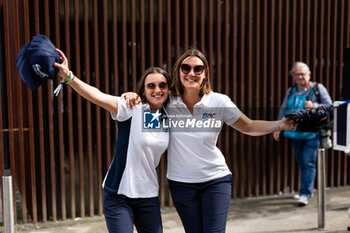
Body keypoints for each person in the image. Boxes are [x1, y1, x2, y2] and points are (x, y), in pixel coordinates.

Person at [124, 48, 295, 233]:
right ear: (178, 72)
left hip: (215, 179)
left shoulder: (219, 102)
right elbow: (147, 103)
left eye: (198, 69)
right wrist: (131, 95)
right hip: (181, 183)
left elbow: (248, 126)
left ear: (205, 73)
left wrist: (280, 125)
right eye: (186, 68)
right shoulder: (168, 103)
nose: (191, 73)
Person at [54, 48, 170, 233]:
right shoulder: (132, 108)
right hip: (119, 194)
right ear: (143, 89)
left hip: (148, 194)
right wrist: (69, 77)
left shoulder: (168, 117)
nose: (157, 90)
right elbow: (97, 96)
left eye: (162, 85)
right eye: (151, 86)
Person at [273, 62, 332, 206]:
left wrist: (315, 106)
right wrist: (277, 127)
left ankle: (305, 192)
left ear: (309, 74)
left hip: (311, 134)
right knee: (302, 162)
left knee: (308, 163)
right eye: (297, 74)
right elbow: (283, 108)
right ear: (293, 76)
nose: (300, 77)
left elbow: (330, 105)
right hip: (294, 134)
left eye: (303, 74)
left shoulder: (317, 88)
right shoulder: (291, 90)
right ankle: (308, 189)